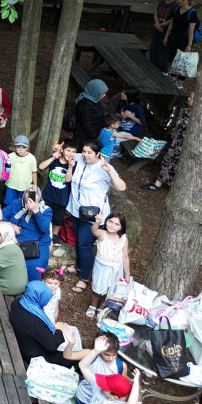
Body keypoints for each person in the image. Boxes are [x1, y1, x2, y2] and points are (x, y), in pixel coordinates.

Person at [66, 143, 126, 295]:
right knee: (79, 242)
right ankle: (79, 267)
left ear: (98, 154)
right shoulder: (79, 158)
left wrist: (109, 171)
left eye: (89, 153)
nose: (85, 155)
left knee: (84, 245)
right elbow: (66, 152)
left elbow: (121, 187)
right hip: (76, 209)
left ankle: (84, 277)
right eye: (84, 151)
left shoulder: (104, 167)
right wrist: (58, 149)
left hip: (94, 215)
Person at [10, 280, 80, 367]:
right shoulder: (35, 322)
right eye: (45, 298)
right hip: (34, 355)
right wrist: (59, 330)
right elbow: (51, 345)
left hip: (24, 341)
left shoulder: (18, 302)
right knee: (75, 356)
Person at [78, 336, 142, 404]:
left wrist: (136, 382)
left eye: (105, 386)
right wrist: (136, 382)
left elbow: (82, 366)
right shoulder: (98, 388)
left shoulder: (99, 392)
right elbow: (82, 366)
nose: (101, 386)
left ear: (113, 396)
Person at [89, 212, 130, 318]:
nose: (112, 225)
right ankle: (93, 306)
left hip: (116, 268)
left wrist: (127, 275)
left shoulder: (123, 239)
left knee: (110, 289)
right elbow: (94, 231)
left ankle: (101, 307)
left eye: (116, 224)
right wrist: (97, 223)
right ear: (106, 221)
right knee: (97, 287)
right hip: (101, 267)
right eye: (110, 221)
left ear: (121, 227)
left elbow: (125, 257)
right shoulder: (102, 234)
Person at [72, 78, 109, 149]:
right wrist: (98, 138)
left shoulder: (94, 100)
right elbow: (89, 126)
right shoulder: (85, 105)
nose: (105, 95)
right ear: (95, 91)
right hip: (85, 141)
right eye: (103, 93)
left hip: (92, 137)